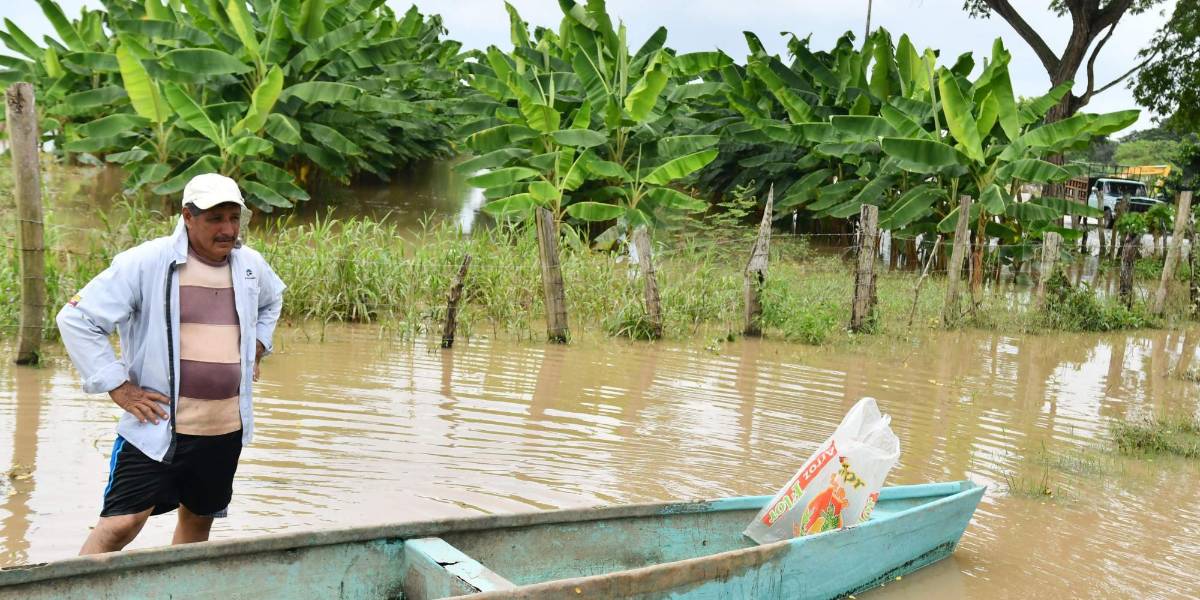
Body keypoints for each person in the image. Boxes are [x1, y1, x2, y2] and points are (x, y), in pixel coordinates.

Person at [56, 173, 286, 554]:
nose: (228, 229)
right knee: (120, 524)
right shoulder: (148, 261)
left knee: (197, 522)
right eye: (216, 219)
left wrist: (257, 345)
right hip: (157, 426)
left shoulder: (250, 265)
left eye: (234, 218)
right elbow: (77, 318)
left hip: (223, 428)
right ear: (187, 217)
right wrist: (118, 386)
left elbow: (271, 299)